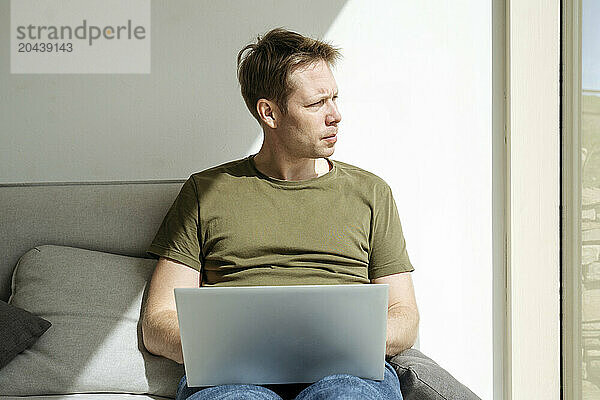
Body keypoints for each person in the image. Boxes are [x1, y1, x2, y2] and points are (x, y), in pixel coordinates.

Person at [141, 27, 419, 400]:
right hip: (232, 376)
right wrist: (233, 348)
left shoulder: (371, 192)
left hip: (346, 374)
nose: (336, 115)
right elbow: (158, 322)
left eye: (334, 98)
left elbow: (404, 314)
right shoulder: (204, 192)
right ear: (269, 112)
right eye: (316, 103)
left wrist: (344, 340)